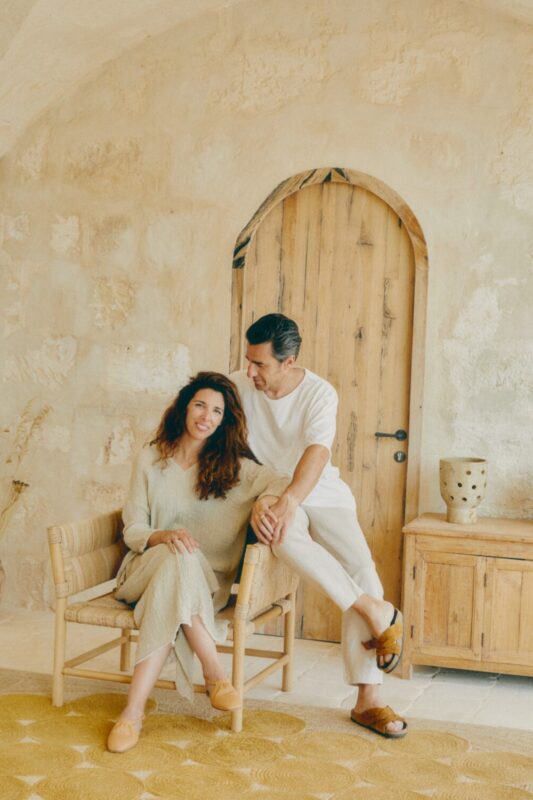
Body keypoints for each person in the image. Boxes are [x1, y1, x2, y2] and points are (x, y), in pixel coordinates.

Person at [230, 314, 407, 739]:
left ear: (288, 362)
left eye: (261, 365)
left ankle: (369, 701)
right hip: (270, 487)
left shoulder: (318, 393)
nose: (251, 371)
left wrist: (291, 499)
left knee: (363, 569)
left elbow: (316, 453)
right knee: (280, 535)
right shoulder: (237, 386)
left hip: (319, 490)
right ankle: (373, 611)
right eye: (248, 361)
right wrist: (263, 498)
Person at [107, 371, 288, 753]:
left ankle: (132, 714)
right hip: (143, 569)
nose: (207, 416)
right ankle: (214, 671)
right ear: (184, 407)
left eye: (217, 411)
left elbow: (284, 484)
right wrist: (162, 536)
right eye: (200, 405)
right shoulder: (150, 458)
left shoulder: (235, 468)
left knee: (181, 566)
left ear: (225, 421)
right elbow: (134, 528)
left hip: (204, 587)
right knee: (177, 557)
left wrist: (261, 504)